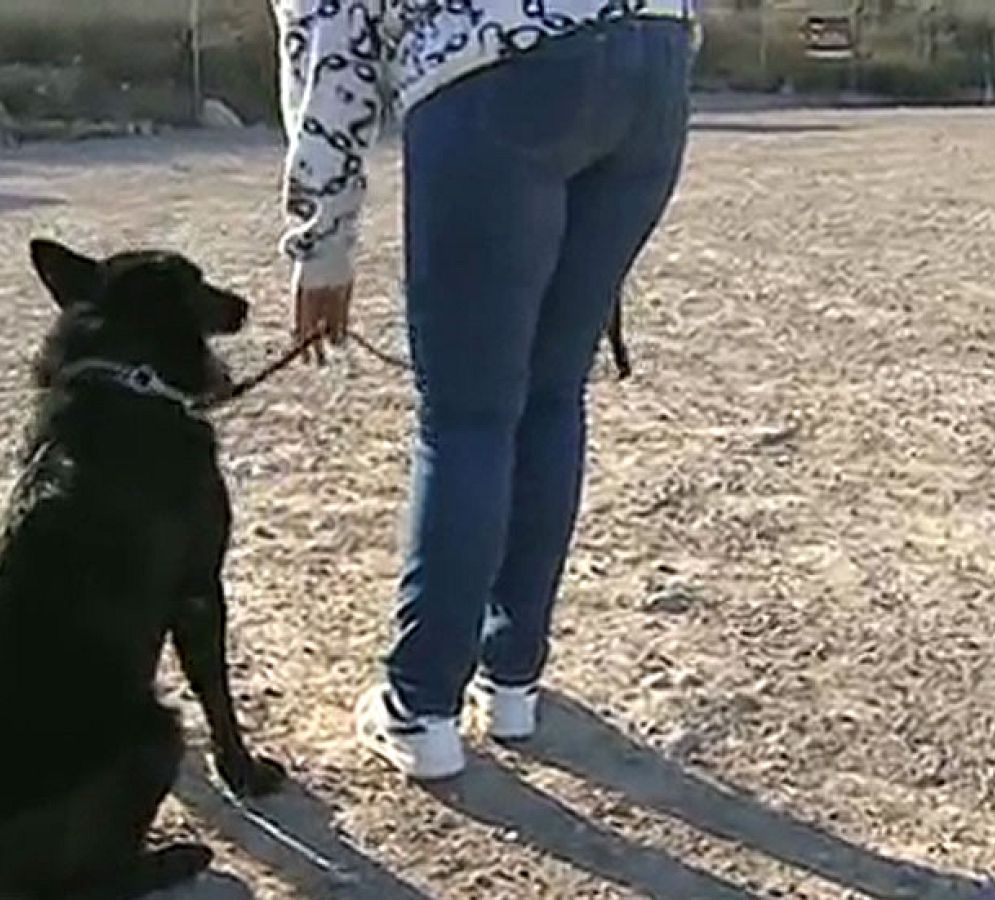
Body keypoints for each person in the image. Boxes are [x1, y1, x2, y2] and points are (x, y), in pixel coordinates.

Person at [274, 0, 697, 779]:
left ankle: (421, 704)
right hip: (653, 55)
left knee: (469, 417)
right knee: (552, 390)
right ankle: (513, 681)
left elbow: (328, 45)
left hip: (495, 70)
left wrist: (322, 242)